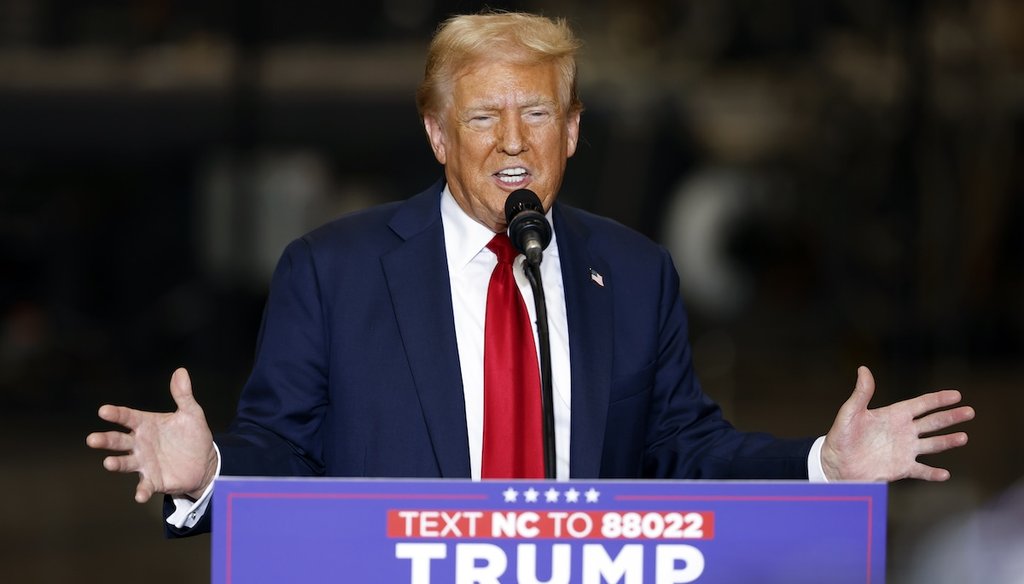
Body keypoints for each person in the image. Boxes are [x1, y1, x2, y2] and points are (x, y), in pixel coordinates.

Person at [86, 11, 974, 536]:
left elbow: (685, 451)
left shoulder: (633, 272)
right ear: (438, 136)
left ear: (574, 129)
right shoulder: (333, 273)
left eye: (537, 112)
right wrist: (208, 475)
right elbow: (283, 454)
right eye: (483, 116)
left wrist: (823, 465)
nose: (513, 141)